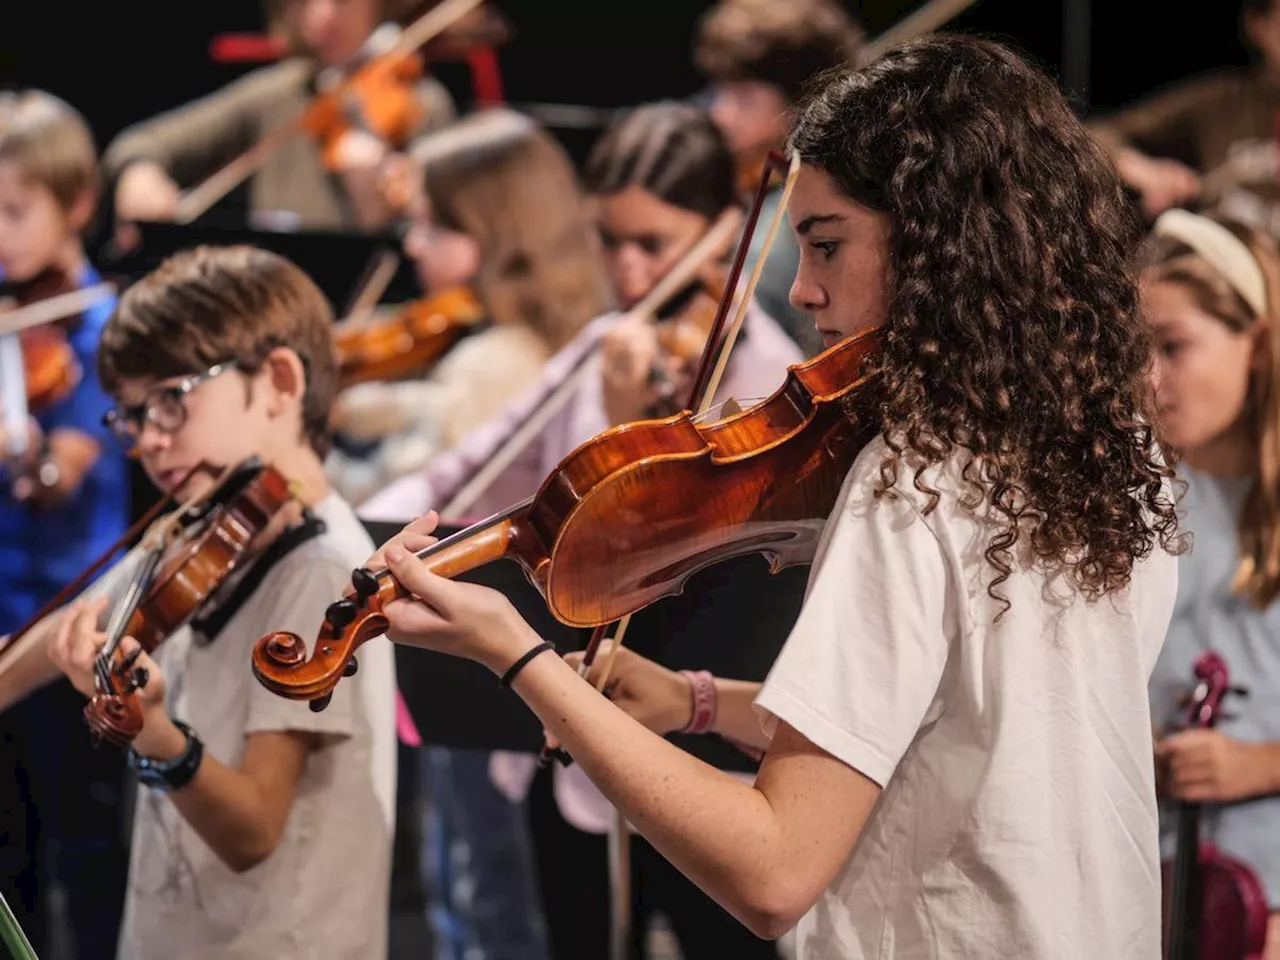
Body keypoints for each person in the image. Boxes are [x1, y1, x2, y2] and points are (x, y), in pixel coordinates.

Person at [358, 36, 1184, 957]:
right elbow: (956, 732)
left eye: (828, 245)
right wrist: (696, 703)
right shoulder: (1113, 452)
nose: (804, 289)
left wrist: (517, 655)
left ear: (945, 241)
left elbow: (774, 870)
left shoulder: (912, 480)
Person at [361, 99, 801, 960]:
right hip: (566, 743)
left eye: (655, 243)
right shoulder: (606, 342)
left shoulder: (767, 384)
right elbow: (467, 474)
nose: (631, 271)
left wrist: (625, 421)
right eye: (611, 240)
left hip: (709, 757)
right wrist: (386, 530)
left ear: (722, 233)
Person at [35, 244, 396, 959]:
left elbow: (254, 830)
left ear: (280, 383)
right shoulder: (197, 525)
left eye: (172, 399)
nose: (151, 441)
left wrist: (155, 733)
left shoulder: (322, 570)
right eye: (134, 416)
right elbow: (67, 628)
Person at [327, 107, 614, 506]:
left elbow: (386, 505)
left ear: (498, 233)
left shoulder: (491, 363)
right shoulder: (564, 327)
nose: (413, 244)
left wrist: (297, 459)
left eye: (432, 225)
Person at [0, 89, 131, 960]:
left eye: (13, 210)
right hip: (2, 624)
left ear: (77, 205)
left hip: (70, 628)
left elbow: (54, 480)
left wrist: (23, 449)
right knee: (9, 860)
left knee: (87, 857)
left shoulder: (98, 327)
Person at [1141, 210, 1280, 953]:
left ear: (1255, 345)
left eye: (1174, 346)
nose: (1150, 378)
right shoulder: (1135, 501)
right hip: (1163, 883)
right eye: (1138, 350)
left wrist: (1258, 763)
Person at [102, 0, 457, 237]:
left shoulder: (422, 103)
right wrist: (139, 174)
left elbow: (450, 229)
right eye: (303, 1)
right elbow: (140, 142)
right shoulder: (278, 93)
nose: (321, 15)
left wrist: (391, 202)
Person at [693, 0, 865, 355]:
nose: (720, 113)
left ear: (800, 101)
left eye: (744, 96)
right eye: (722, 90)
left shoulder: (788, 225)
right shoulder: (754, 191)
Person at [1089, 0, 1280, 231]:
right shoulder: (1222, 100)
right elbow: (1097, 135)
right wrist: (1149, 173)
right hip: (1226, 260)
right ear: (1259, 24)